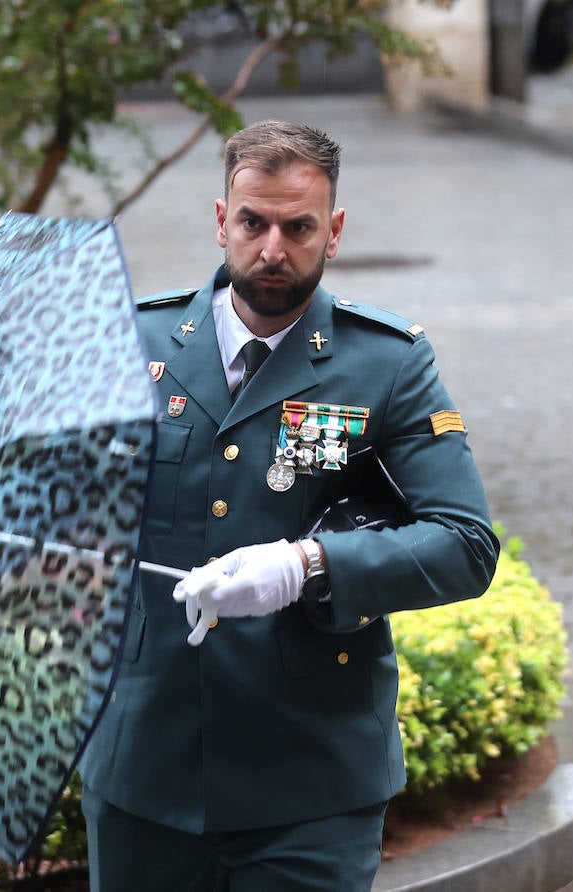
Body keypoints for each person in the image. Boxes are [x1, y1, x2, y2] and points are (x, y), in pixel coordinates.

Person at [77, 119, 500, 891]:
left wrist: (306, 565)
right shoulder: (132, 345)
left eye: (297, 227)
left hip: (310, 778)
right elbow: (71, 502)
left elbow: (465, 544)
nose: (272, 248)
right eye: (253, 223)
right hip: (144, 770)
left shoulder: (386, 366)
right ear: (220, 221)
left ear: (333, 231)